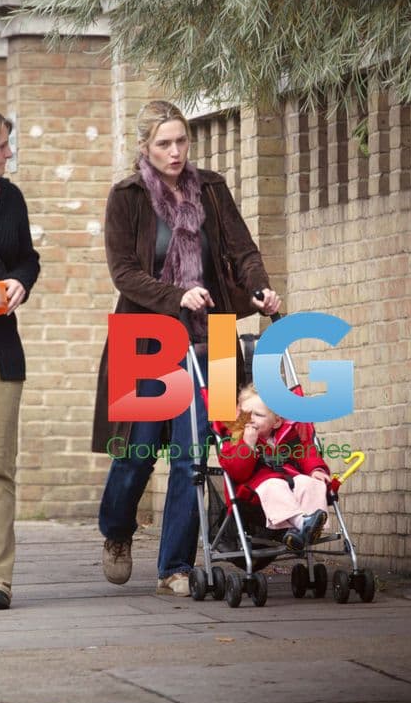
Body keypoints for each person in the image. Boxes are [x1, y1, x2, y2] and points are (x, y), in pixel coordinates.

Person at [92, 99, 280, 596]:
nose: (176, 152)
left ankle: (174, 566)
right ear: (145, 147)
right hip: (148, 340)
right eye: (164, 143)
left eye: (181, 141)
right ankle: (115, 530)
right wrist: (178, 296)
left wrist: (259, 289)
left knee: (192, 454)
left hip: (212, 338)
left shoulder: (212, 189)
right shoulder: (127, 196)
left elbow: (242, 251)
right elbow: (124, 273)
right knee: (136, 451)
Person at [0, 108, 40, 610]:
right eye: (1, 145)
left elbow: (27, 256)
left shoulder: (11, 199)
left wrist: (21, 278)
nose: (9, 153)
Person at [218, 385, 331, 552]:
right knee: (274, 485)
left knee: (309, 483)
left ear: (276, 421)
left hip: (288, 480)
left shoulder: (288, 435)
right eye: (246, 414)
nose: (250, 419)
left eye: (258, 415)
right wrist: (247, 445)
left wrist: (317, 470)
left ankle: (312, 527)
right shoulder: (235, 439)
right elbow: (236, 471)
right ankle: (301, 524)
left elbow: (306, 452)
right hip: (254, 491)